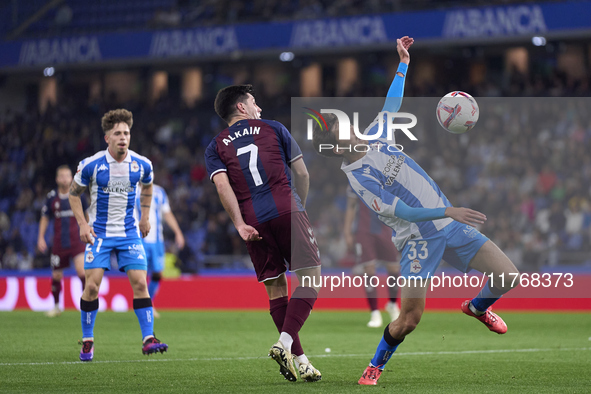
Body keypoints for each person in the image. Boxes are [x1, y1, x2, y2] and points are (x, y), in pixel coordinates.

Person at [311, 36, 519, 385]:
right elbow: (404, 213)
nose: (346, 126)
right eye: (338, 128)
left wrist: (404, 63)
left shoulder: (377, 135)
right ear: (336, 147)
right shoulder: (359, 178)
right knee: (408, 320)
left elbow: (391, 104)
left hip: (448, 225)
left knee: (508, 277)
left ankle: (477, 307)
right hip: (418, 239)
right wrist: (446, 212)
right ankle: (375, 364)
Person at [205, 85, 322, 382]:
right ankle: (284, 345)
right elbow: (303, 173)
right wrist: (299, 208)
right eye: (254, 103)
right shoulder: (274, 128)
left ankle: (302, 360)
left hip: (253, 223)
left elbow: (222, 187)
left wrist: (239, 224)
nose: (260, 108)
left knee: (276, 290)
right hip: (286, 209)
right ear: (242, 108)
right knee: (311, 279)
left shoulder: (215, 146)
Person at [69, 109, 168, 362]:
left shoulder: (141, 164)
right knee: (91, 286)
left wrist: (145, 216)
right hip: (99, 233)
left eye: (126, 133)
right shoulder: (92, 165)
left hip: (129, 234)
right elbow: (73, 193)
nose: (123, 137)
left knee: (140, 283)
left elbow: (147, 187)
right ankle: (88, 339)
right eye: (117, 134)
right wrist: (82, 224)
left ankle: (148, 339)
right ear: (107, 139)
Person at [344, 186, 400, 327]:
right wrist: (347, 231)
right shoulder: (354, 179)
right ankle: (375, 313)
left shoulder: (387, 177)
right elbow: (351, 206)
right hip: (364, 230)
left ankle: (392, 304)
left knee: (394, 268)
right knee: (368, 269)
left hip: (386, 228)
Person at [38, 165, 88, 317]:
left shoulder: (79, 195)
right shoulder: (52, 197)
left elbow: (87, 215)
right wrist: (41, 237)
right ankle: (57, 306)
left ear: (72, 178)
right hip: (59, 242)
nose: (65, 179)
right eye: (62, 176)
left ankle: (87, 305)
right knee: (56, 275)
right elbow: (45, 217)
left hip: (77, 241)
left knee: (82, 272)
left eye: (68, 175)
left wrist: (89, 230)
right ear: (57, 179)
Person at [136, 184, 185, 317]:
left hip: (157, 240)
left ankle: (149, 303)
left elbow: (167, 213)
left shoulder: (159, 192)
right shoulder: (132, 190)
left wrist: (178, 232)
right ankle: (143, 305)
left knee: (158, 273)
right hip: (139, 239)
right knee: (140, 275)